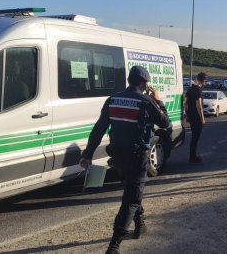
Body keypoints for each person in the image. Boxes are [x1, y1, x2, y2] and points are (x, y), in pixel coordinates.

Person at [79, 66, 170, 254]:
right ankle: (114, 246)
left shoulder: (112, 99)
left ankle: (140, 224)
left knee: (132, 190)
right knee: (131, 199)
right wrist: (159, 102)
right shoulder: (147, 101)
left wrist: (87, 154)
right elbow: (165, 124)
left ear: (129, 80)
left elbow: (98, 129)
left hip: (117, 156)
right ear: (144, 83)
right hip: (137, 157)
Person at [185, 72, 207, 164]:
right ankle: (193, 158)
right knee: (195, 138)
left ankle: (192, 156)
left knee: (194, 138)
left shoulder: (190, 89)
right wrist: (203, 119)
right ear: (204, 81)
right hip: (197, 118)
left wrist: (187, 115)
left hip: (191, 117)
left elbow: (186, 104)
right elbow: (199, 106)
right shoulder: (198, 90)